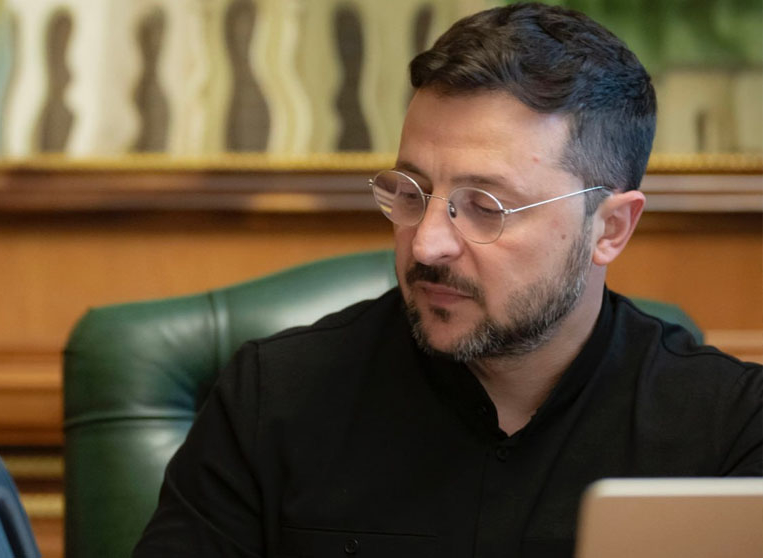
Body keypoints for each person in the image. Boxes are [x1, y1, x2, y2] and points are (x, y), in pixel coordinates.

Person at [133, 3, 762, 557]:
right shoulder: (273, 399)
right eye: (411, 192)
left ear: (610, 228)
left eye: (486, 207)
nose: (427, 242)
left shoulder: (729, 430)